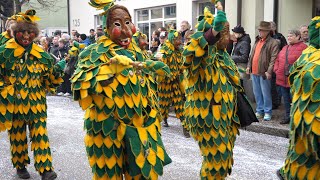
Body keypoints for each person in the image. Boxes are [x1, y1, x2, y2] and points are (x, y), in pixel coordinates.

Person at [71, 1, 172, 179]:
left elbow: (150, 84)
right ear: (106, 28)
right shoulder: (93, 52)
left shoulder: (140, 52)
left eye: (128, 22)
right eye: (117, 24)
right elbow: (80, 84)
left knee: (142, 174)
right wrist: (109, 71)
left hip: (140, 127)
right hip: (107, 129)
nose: (126, 31)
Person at [0, 9, 66, 180]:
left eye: (30, 32)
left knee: (40, 135)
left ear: (35, 34)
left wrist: (59, 69)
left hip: (36, 104)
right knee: (17, 136)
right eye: (22, 32)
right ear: (14, 32)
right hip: (14, 104)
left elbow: (50, 78)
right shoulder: (3, 53)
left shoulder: (42, 55)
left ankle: (45, 170)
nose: (26, 36)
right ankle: (20, 167)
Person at [183, 2, 242, 179]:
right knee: (217, 160)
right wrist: (212, 33)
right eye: (223, 33)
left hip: (225, 116)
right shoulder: (202, 56)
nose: (229, 37)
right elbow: (193, 53)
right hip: (206, 115)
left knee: (224, 159)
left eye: (226, 31)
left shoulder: (224, 56)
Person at [277, 16, 320, 180]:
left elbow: (294, 79)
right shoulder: (313, 60)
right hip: (309, 124)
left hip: (301, 120)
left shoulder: (306, 54)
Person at [157, 29, 189, 137]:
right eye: (177, 39)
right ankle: (163, 119)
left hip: (176, 82)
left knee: (179, 102)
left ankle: (185, 125)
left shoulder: (179, 51)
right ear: (172, 39)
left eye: (180, 39)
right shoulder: (164, 50)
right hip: (165, 83)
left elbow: (181, 65)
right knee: (164, 103)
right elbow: (161, 67)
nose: (179, 41)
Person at [246, 21, 279, 121]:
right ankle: (259, 110)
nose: (259, 31)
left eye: (261, 30)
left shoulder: (273, 42)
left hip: (264, 72)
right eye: (259, 30)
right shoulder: (257, 41)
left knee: (266, 93)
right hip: (254, 71)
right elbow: (252, 55)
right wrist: (249, 66)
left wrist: (269, 71)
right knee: (257, 93)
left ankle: (267, 112)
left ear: (267, 31)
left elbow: (274, 58)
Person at [273, 29, 307, 124]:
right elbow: (278, 60)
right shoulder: (285, 48)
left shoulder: (304, 48)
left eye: (291, 36)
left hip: (294, 80)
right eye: (288, 36)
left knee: (295, 100)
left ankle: (296, 118)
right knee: (286, 101)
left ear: (298, 37)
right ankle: (287, 116)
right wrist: (276, 69)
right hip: (282, 79)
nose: (289, 37)